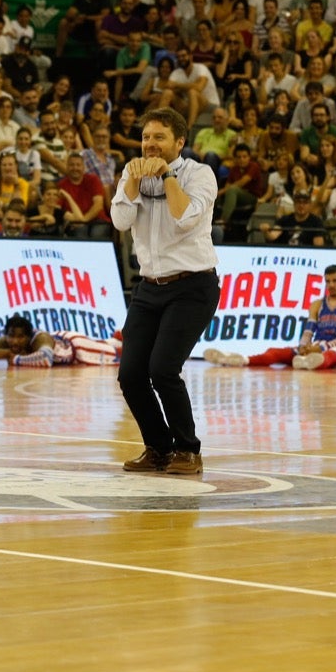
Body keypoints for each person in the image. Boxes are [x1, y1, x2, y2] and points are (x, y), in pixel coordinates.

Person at [110, 108, 219, 477]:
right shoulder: (132, 173)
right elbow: (120, 221)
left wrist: (166, 175)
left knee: (163, 369)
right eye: (145, 138)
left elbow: (185, 217)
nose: (150, 145)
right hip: (149, 287)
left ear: (179, 142)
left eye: (159, 137)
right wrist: (132, 183)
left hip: (192, 286)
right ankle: (157, 448)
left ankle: (188, 451)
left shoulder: (200, 175)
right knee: (130, 374)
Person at [204, 264, 336, 371]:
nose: (331, 285)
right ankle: (244, 359)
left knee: (330, 356)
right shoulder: (317, 304)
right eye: (328, 281)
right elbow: (308, 332)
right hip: (315, 346)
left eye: (335, 281)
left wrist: (319, 348)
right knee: (277, 352)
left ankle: (309, 361)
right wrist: (303, 346)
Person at [0, 314, 122, 367]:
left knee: (119, 354)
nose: (14, 341)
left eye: (20, 337)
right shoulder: (7, 344)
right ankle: (116, 339)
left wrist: (16, 359)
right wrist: (6, 352)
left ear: (28, 336)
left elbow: (46, 359)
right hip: (65, 340)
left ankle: (122, 337)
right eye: (11, 336)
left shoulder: (40, 338)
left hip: (76, 347)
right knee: (109, 344)